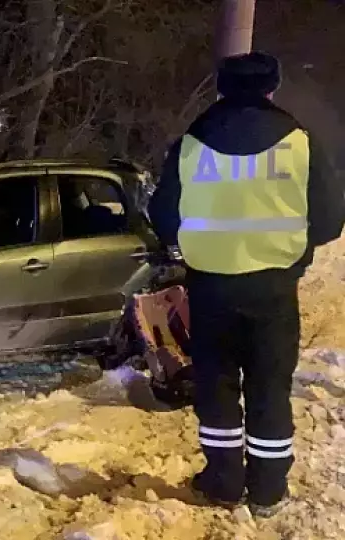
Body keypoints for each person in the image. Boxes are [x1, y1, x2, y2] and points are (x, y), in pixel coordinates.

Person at [148, 51, 345, 517]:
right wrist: (295, 249)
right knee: (269, 388)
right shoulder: (301, 141)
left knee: (216, 386)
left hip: (211, 287)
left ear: (221, 89)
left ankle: (221, 483)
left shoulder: (192, 143)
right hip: (273, 289)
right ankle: (267, 492)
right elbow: (331, 220)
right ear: (272, 89)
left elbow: (163, 215)